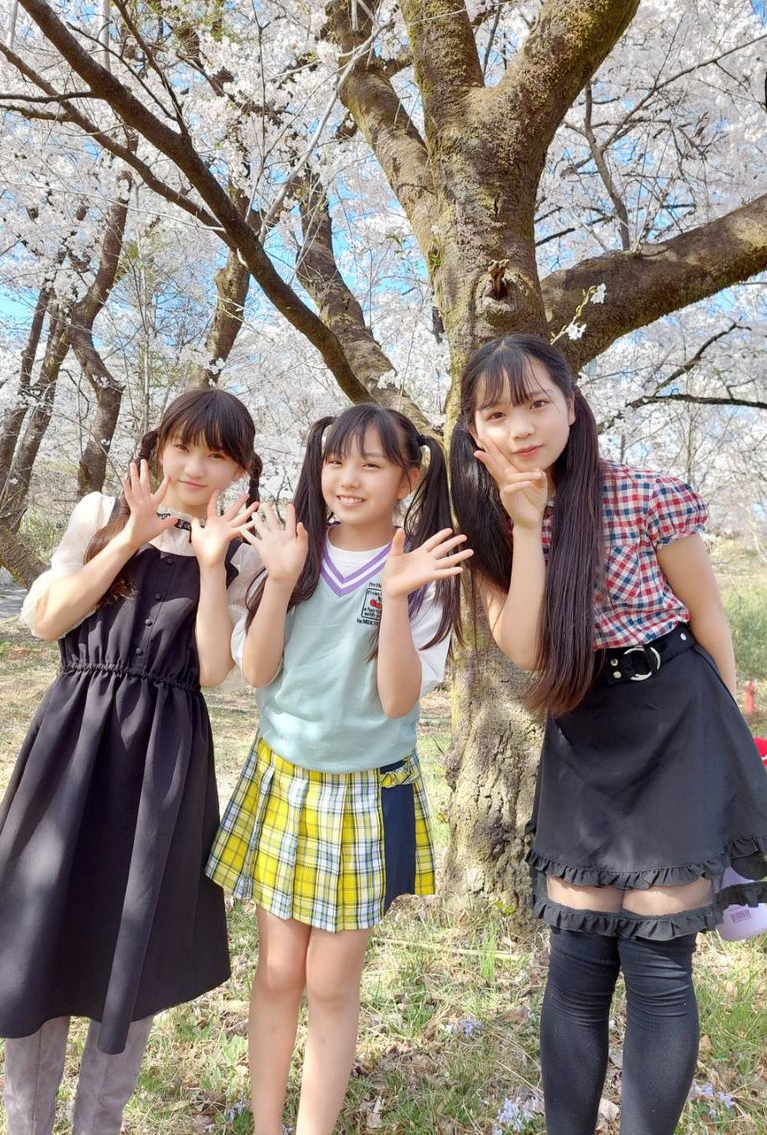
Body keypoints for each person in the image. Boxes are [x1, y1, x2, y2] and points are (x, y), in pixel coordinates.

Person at [450, 333, 767, 1135]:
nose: (520, 427)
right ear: (473, 430)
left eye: (537, 403)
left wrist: (729, 741)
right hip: (584, 725)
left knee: (659, 965)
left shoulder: (647, 494)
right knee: (577, 961)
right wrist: (525, 526)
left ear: (572, 406)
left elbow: (707, 617)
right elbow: (526, 650)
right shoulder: (483, 522)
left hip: (677, 715)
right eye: (496, 413)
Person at [0, 388, 262, 1135]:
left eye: (217, 456)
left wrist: (213, 565)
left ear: (238, 469)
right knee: (40, 932)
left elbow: (215, 671)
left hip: (164, 760)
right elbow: (49, 620)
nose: (195, 467)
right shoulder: (97, 514)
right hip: (71, 745)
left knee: (133, 939)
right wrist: (128, 539)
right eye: (183, 446)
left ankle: (98, 1125)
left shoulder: (238, 553)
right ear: (158, 444)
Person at [206, 403, 470, 1135]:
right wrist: (280, 578)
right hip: (285, 779)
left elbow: (398, 699)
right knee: (277, 971)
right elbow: (256, 672)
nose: (347, 480)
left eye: (370, 466)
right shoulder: (291, 549)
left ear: (407, 479)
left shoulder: (425, 570)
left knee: (329, 982)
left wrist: (394, 596)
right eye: (334, 462)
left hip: (367, 790)